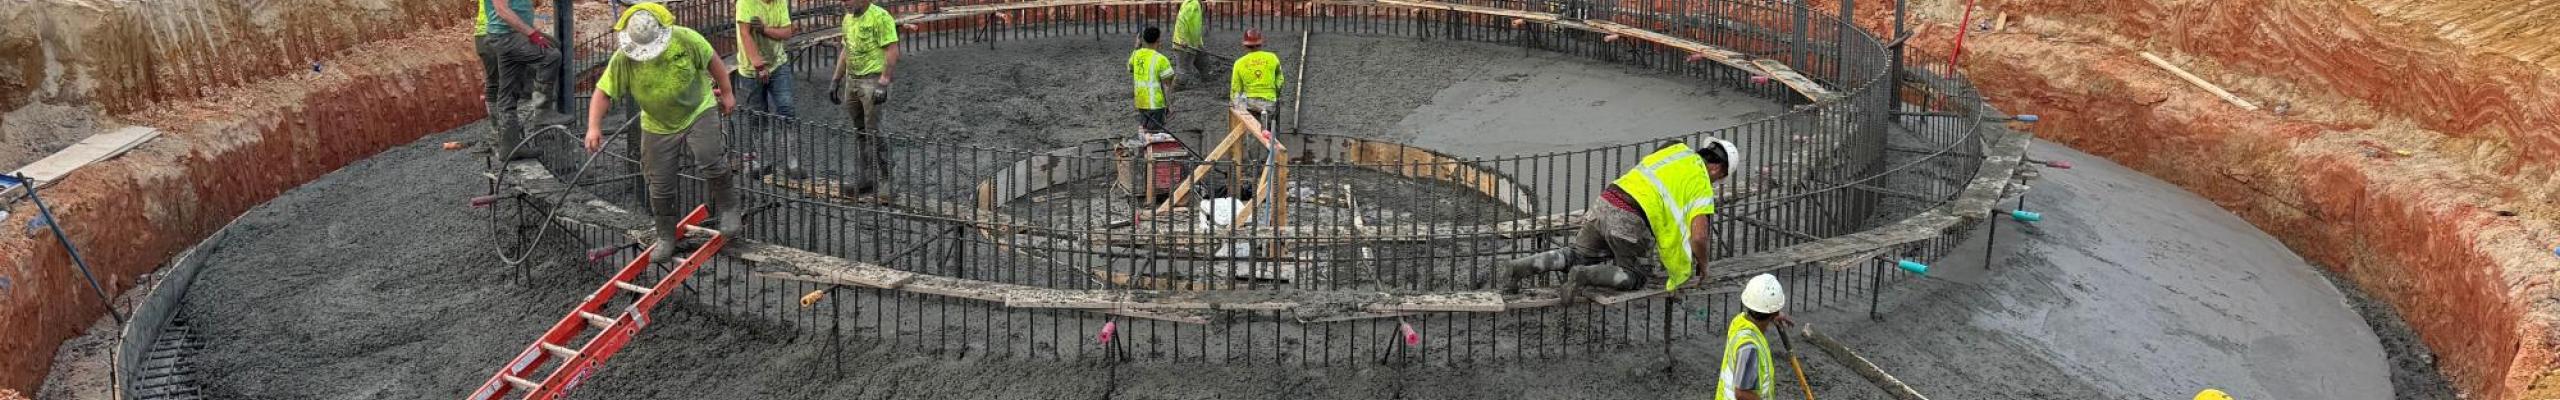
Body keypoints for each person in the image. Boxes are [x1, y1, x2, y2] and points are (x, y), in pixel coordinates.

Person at [581, 3, 741, 260]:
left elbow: (713, 60)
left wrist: (728, 92)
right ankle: (666, 236)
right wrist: (593, 126)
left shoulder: (685, 39)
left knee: (710, 158)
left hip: (698, 109)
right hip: (657, 124)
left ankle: (729, 209)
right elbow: (603, 92)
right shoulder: (625, 58)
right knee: (660, 183)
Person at [1491, 139, 1736, 300]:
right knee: (1635, 276)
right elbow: (1700, 237)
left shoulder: (1676, 150)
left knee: (1576, 253)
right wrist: (1703, 265)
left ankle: (1518, 269)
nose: (1716, 182)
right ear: (1717, 169)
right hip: (1630, 216)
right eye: (1719, 178)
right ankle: (1583, 276)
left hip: (1607, 199)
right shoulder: (1701, 182)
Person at [829, 0, 901, 195]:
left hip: (872, 80)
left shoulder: (880, 17)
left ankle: (889, 179)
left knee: (875, 131)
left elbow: (892, 50)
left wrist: (884, 81)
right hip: (852, 80)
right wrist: (836, 79)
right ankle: (867, 177)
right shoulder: (848, 19)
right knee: (860, 130)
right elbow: (846, 50)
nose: (845, 3)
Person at [475, 0, 560, 161]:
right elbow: (502, 10)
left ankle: (510, 146)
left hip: (504, 35)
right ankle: (543, 111)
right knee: (551, 56)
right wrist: (532, 33)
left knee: (508, 91)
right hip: (507, 35)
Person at [1717, 274, 1790, 400]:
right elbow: (1742, 394)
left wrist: (1773, 315)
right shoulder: (1750, 348)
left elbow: (1759, 313)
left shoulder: (1739, 321)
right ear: (1773, 312)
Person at [734, 0, 798, 120]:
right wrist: (759, 66)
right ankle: (761, 138)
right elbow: (745, 34)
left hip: (778, 63)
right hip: (751, 70)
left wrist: (764, 29)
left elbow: (787, 33)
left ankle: (789, 139)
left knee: (787, 110)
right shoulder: (745, 2)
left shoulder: (780, 1)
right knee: (758, 116)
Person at [1228, 29, 1283, 125]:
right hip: (1269, 103)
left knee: (1243, 117)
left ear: (1245, 45)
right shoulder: (1272, 58)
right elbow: (1280, 80)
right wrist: (1276, 94)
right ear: (1261, 43)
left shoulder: (1239, 63)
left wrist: (1236, 107)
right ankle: (1272, 134)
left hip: (1249, 103)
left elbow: (1236, 88)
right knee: (1273, 116)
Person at [1130, 26, 1176, 134]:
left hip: (1141, 101)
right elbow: (1167, 85)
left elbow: (1130, 67)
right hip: (1156, 104)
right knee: (1154, 134)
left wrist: (1136, 47)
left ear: (1143, 39)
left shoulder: (1136, 55)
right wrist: (1169, 105)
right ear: (1158, 40)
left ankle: (1143, 149)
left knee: (1144, 130)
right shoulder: (1161, 59)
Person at [1171, 0, 1208, 77]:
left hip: (1194, 43)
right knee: (1183, 73)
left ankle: (1207, 79)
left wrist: (1199, 43)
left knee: (1204, 64)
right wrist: (1182, 40)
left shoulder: (1198, 4)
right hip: (1183, 46)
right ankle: (1175, 88)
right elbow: (1181, 21)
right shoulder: (1192, 4)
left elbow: (1195, 25)